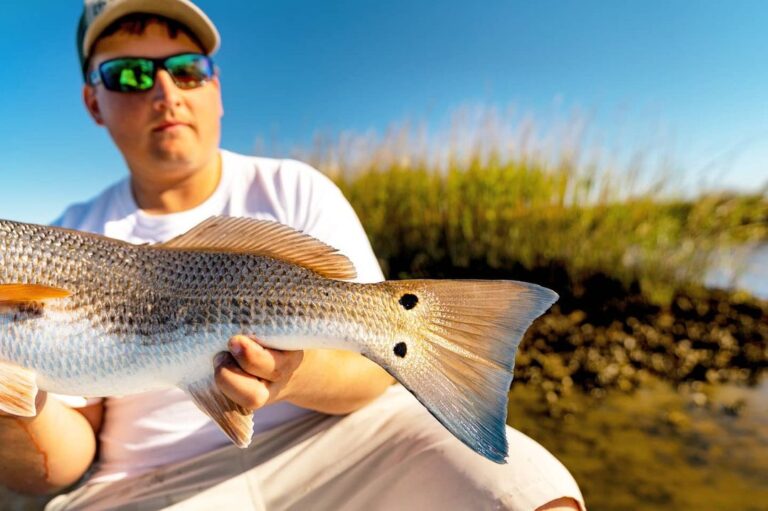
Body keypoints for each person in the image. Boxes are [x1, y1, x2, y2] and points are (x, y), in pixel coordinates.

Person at [0, 1, 585, 509]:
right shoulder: (66, 230)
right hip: (140, 483)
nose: (165, 91)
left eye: (186, 69)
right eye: (128, 73)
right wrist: (13, 406)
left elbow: (373, 371)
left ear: (216, 87)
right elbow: (64, 457)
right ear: (93, 101)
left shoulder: (294, 189)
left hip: (333, 448)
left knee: (523, 489)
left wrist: (287, 376)